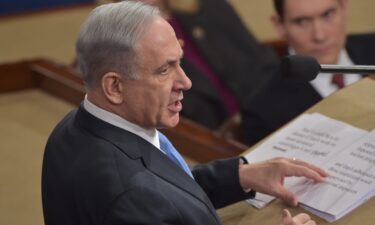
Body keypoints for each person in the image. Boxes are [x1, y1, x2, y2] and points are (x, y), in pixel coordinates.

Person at [42, 1, 327, 225]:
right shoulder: (129, 196)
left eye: (179, 62)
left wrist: (240, 176)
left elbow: (165, 188)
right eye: (164, 70)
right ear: (115, 86)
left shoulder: (75, 127)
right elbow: (147, 197)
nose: (185, 82)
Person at [241, 0, 375, 146]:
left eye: (328, 15)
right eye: (302, 22)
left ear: (343, 7)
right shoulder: (263, 110)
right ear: (279, 25)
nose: (320, 35)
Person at [137, 0, 279, 129]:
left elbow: (263, 64)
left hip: (269, 116)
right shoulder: (130, 49)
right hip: (217, 146)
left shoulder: (214, 8)